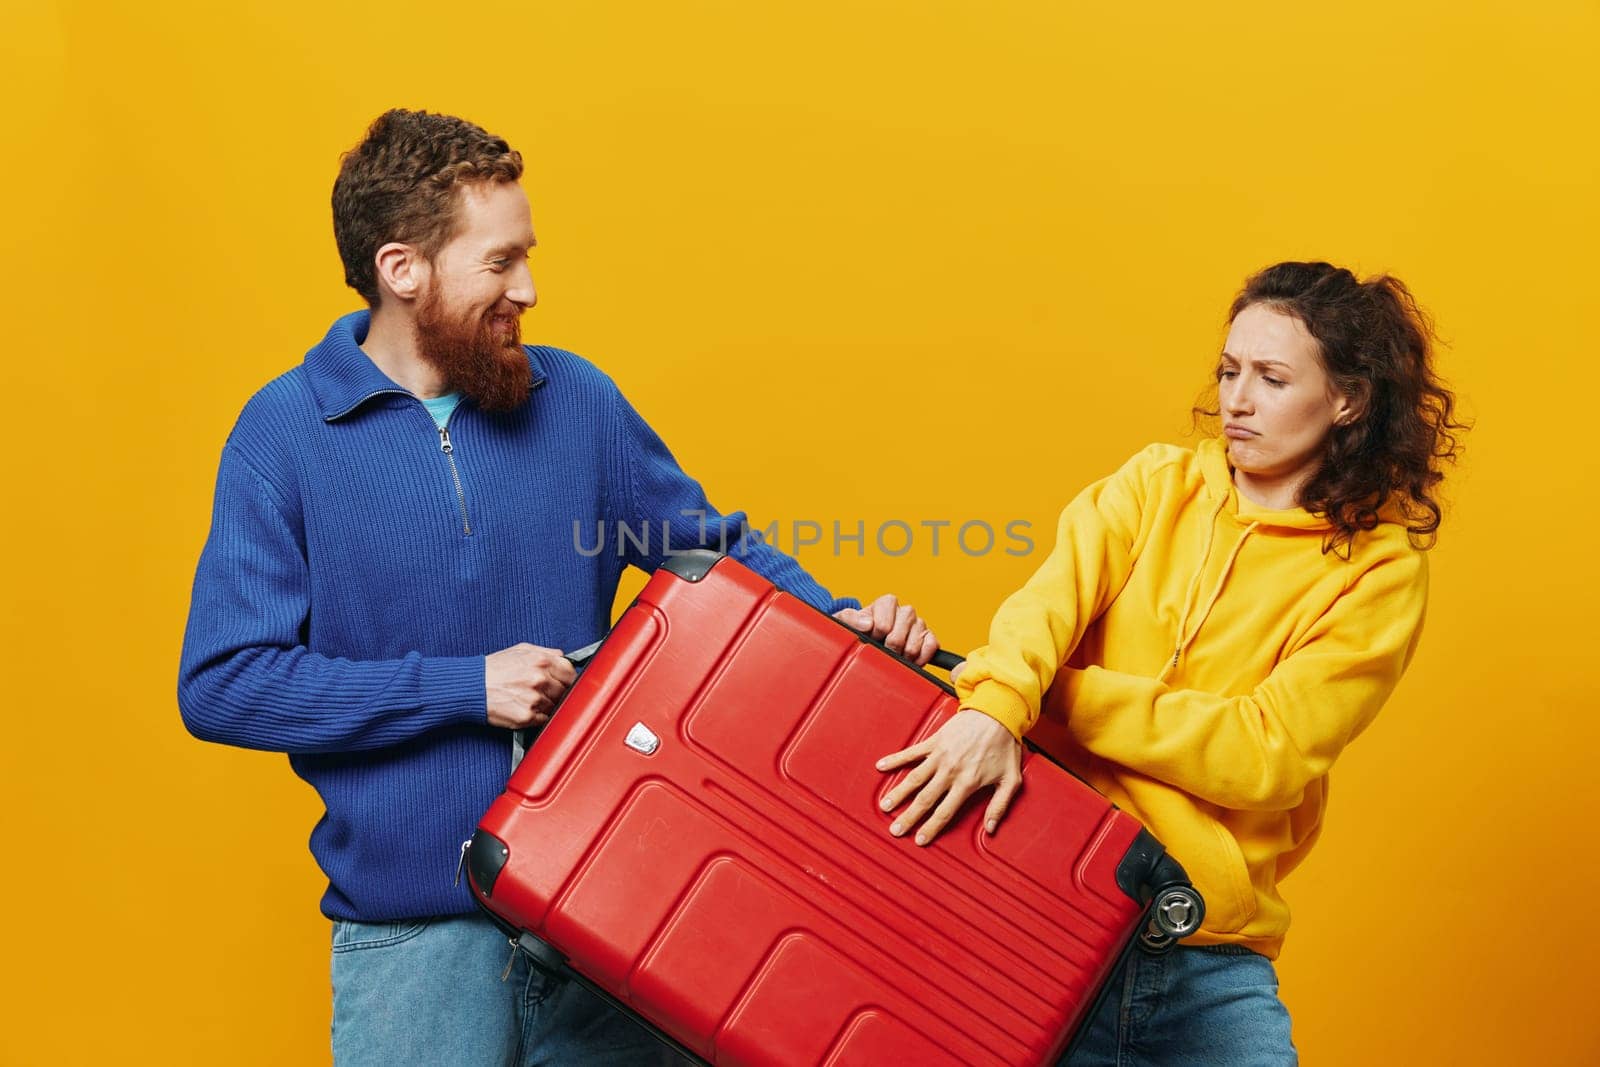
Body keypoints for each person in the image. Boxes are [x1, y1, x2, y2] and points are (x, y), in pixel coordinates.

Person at [177, 108, 938, 1066]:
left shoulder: (574, 400)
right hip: (418, 943)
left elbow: (708, 555)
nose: (528, 290)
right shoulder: (283, 437)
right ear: (401, 270)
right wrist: (464, 687)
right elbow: (224, 683)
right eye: (499, 263)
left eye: (526, 257)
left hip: (611, 927)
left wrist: (840, 627)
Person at [875, 261, 1465, 1064]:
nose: (1237, 399)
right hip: (1039, 903)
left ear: (1348, 399)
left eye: (1271, 377)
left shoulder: (1379, 571)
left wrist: (1047, 696)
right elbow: (1041, 613)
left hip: (1203, 941)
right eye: (1229, 371)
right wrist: (991, 703)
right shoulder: (1153, 485)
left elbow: (1265, 756)